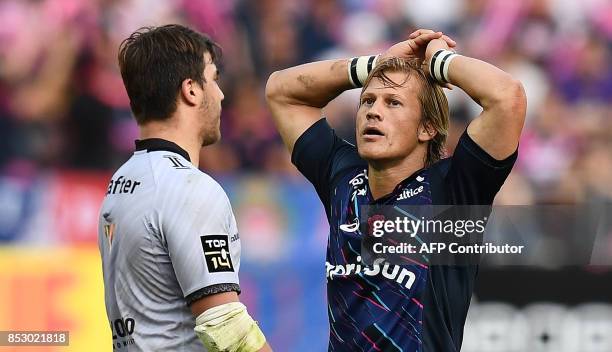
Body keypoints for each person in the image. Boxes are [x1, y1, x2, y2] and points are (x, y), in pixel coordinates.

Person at [265, 29, 526, 351]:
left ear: (427, 127)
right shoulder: (342, 178)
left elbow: (507, 97)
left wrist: (439, 61)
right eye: (368, 100)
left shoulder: (454, 190)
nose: (374, 111)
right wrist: (377, 64)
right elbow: (281, 90)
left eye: (394, 102)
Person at [98, 24, 271, 352]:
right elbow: (226, 325)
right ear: (191, 89)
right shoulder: (190, 188)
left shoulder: (121, 182)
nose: (220, 94)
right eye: (214, 78)